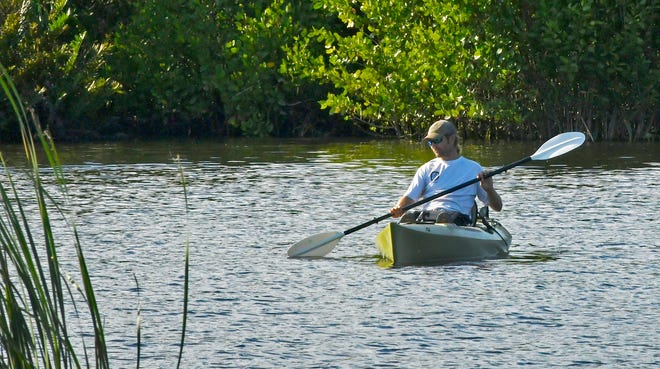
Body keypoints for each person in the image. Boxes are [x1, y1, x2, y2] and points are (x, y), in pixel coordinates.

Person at [389, 119, 502, 225]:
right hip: (428, 217)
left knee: (444, 218)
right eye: (430, 142)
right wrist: (399, 208)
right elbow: (410, 197)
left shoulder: (474, 168)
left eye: (437, 140)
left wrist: (490, 190)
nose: (433, 145)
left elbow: (498, 207)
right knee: (409, 216)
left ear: (452, 139)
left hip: (457, 220)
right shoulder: (426, 169)